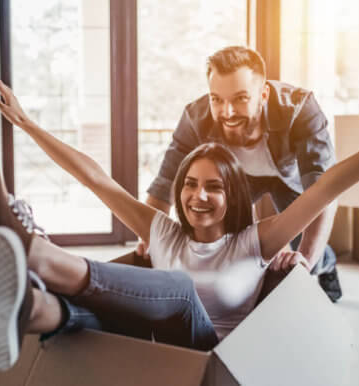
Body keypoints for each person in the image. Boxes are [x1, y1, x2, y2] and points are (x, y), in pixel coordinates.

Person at [0, 62, 359, 372]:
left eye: (214, 186)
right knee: (85, 314)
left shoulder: (255, 242)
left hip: (209, 355)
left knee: (177, 288)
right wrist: (27, 124)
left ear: (233, 193)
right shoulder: (163, 230)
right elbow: (97, 179)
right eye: (191, 184)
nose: (198, 196)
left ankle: (37, 252)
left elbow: (329, 184)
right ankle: (29, 308)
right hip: (153, 345)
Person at [138, 46, 342, 301]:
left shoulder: (301, 109)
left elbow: (324, 189)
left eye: (240, 98)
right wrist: (149, 238)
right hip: (239, 178)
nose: (228, 112)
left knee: (305, 239)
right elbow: (165, 183)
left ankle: (327, 264)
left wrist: (306, 263)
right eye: (217, 99)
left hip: (288, 177)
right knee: (232, 236)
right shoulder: (195, 117)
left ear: (264, 94)